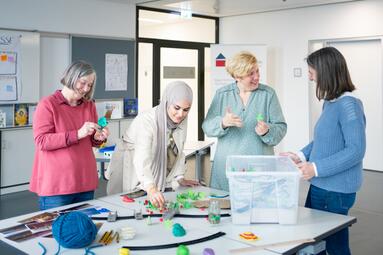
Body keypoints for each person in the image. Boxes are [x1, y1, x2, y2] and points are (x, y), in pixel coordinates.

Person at [282, 47, 366, 255]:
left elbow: (356, 150)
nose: (310, 77)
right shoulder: (331, 102)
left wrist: (316, 168)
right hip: (321, 185)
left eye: (311, 72)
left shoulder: (349, 106)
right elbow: (323, 140)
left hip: (335, 191)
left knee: (335, 247)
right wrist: (300, 155)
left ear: (326, 71)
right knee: (315, 242)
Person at [30, 60, 110, 210]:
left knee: (84, 229)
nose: (86, 88)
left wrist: (98, 138)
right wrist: (77, 134)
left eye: (90, 85)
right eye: (83, 82)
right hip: (57, 184)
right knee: (57, 230)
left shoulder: (89, 105)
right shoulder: (47, 105)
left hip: (85, 180)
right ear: (71, 78)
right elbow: (42, 141)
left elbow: (91, 141)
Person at [202, 51, 287, 191]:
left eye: (257, 71)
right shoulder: (222, 94)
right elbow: (207, 127)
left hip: (260, 169)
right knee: (225, 208)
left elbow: (281, 128)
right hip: (226, 169)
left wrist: (267, 131)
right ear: (237, 76)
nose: (257, 77)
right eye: (250, 74)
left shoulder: (268, 94)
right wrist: (223, 122)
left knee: (259, 209)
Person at [106, 81, 199, 208]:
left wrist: (180, 177)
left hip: (150, 165)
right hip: (129, 163)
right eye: (176, 108)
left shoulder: (181, 118)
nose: (181, 114)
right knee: (122, 206)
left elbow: (178, 148)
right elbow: (141, 157)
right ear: (167, 102)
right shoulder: (147, 121)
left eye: (186, 110)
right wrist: (151, 187)